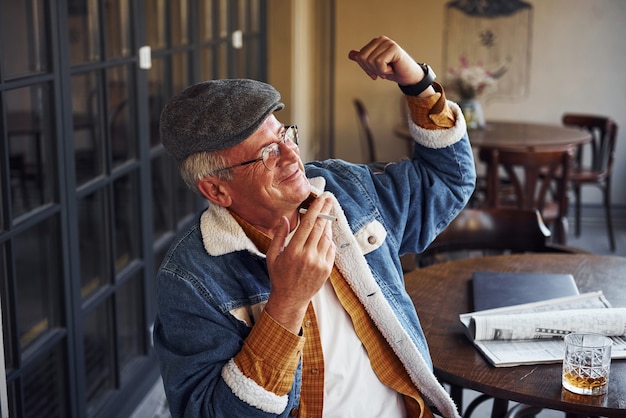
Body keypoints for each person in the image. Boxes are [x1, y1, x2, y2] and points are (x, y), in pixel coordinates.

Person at [154, 35, 475, 418]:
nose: (292, 156)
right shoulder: (192, 278)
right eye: (267, 153)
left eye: (285, 135)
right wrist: (286, 303)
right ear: (217, 189)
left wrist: (418, 85)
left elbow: (448, 181)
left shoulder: (346, 192)